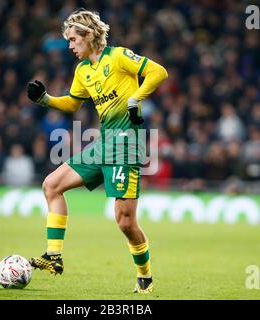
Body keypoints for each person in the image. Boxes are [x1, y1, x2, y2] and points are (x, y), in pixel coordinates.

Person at [26, 9, 168, 293]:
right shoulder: (82, 71)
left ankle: (145, 278)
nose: (69, 46)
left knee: (125, 222)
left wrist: (135, 97)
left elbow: (158, 72)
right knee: (52, 185)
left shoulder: (118, 57)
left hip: (126, 147)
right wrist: (45, 100)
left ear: (88, 36)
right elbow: (72, 103)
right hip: (102, 145)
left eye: (73, 39)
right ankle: (54, 256)